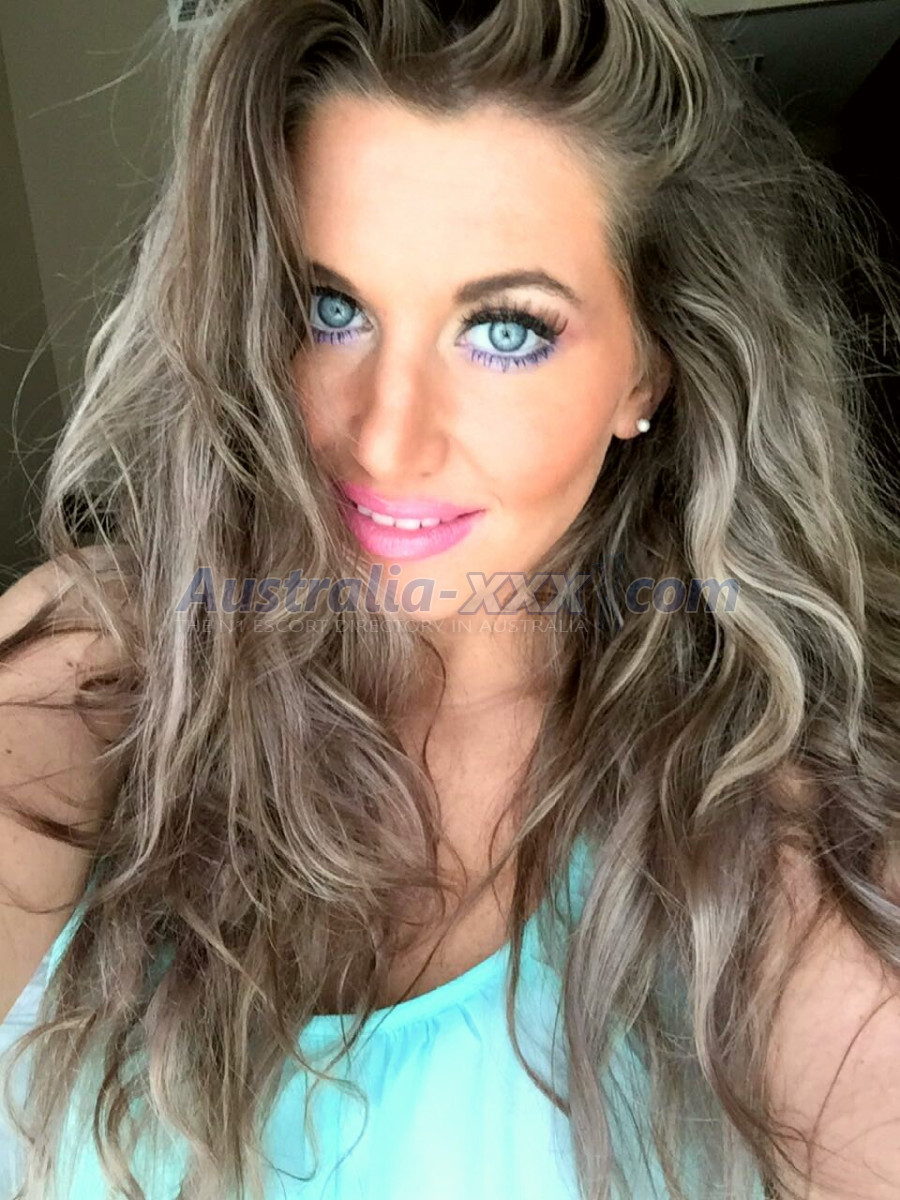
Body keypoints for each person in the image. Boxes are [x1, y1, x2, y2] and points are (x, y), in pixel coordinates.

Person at [1, 0, 898, 1196]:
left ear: (649, 366)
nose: (387, 438)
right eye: (330, 308)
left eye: (506, 330)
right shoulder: (94, 666)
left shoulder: (777, 818)